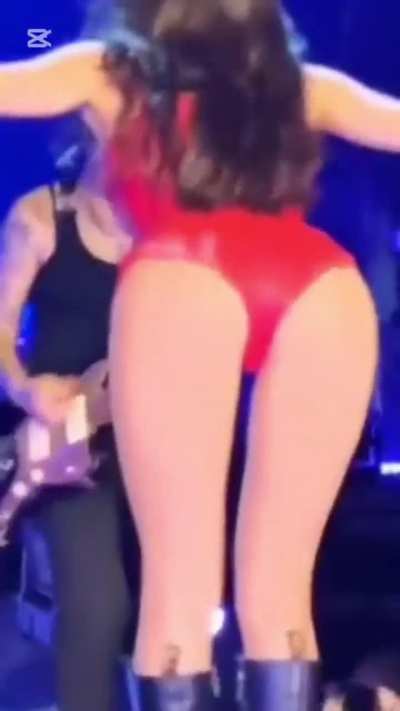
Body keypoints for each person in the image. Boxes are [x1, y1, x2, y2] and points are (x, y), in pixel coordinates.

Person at [3, 0, 400, 708]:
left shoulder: (111, 74)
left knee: (179, 592)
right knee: (281, 596)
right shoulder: (297, 85)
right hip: (320, 285)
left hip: (185, 277)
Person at [0, 136, 134, 711]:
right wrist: (24, 387)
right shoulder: (40, 217)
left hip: (163, 435)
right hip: (71, 446)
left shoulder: (175, 229)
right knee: (97, 606)